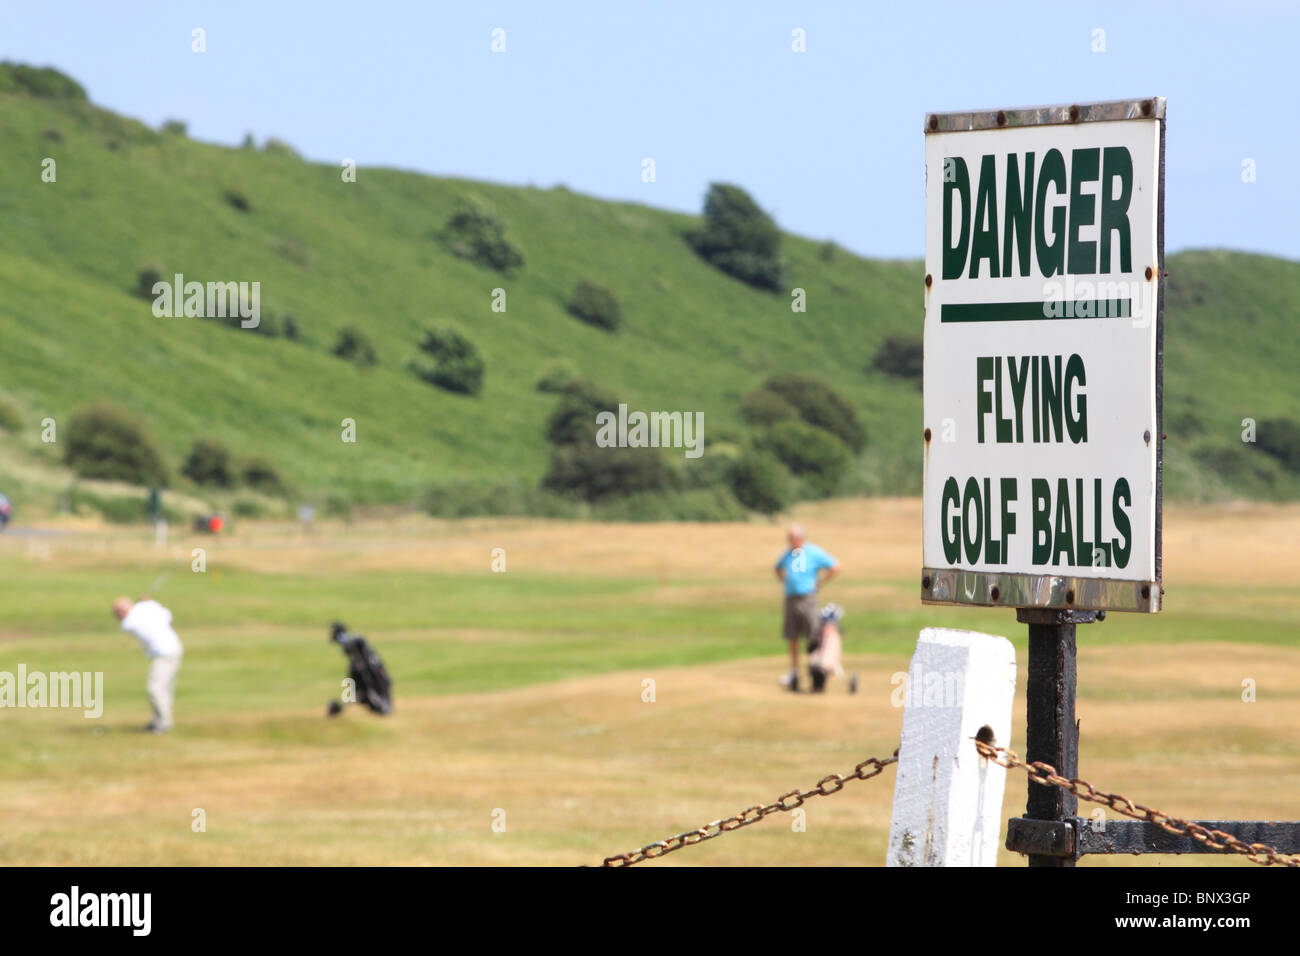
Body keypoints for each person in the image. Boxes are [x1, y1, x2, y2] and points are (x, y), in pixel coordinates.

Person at [773, 524, 840, 692]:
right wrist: (784, 581)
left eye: (792, 538)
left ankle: (815, 670)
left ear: (800, 538)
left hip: (808, 598)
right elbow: (777, 568)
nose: (790, 541)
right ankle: (794, 672)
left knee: (813, 636)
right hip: (791, 598)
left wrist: (821, 582)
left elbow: (835, 566)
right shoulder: (788, 554)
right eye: (789, 538)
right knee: (792, 636)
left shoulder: (813, 552)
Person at [112, 596, 184, 732]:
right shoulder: (147, 607)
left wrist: (145, 605)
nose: (116, 616)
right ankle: (159, 720)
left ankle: (163, 723)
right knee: (164, 689)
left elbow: (134, 620)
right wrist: (148, 603)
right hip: (172, 647)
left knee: (155, 689)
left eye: (117, 612)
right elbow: (167, 615)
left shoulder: (131, 620)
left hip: (166, 652)